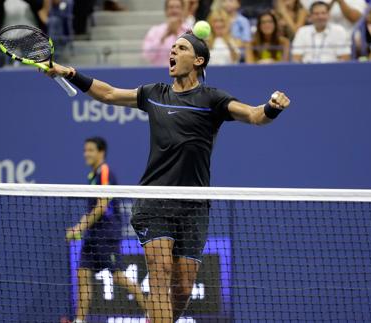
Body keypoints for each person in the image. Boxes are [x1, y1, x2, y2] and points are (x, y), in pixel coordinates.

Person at [46, 28, 291, 322]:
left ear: (199, 60)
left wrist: (272, 108)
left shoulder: (212, 99)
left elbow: (254, 115)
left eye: (182, 48)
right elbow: (109, 94)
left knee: (184, 289)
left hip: (194, 205)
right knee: (160, 272)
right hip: (154, 201)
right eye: (172, 47)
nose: (172, 52)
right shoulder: (155, 94)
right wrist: (70, 73)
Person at [65, 137, 146, 323]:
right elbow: (93, 209)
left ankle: (152, 313)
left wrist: (79, 227)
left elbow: (102, 207)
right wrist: (80, 228)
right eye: (85, 150)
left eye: (90, 150)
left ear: (101, 152)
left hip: (106, 235)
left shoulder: (104, 172)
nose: (86, 154)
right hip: (92, 235)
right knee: (82, 275)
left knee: (118, 277)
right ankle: (79, 320)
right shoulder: (92, 175)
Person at [143, 0, 190, 66]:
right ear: (166, 11)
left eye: (177, 7)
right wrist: (162, 38)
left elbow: (194, 56)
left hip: (184, 74)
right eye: (171, 7)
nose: (174, 10)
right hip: (159, 73)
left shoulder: (190, 31)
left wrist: (176, 34)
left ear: (182, 10)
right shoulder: (155, 31)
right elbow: (147, 56)